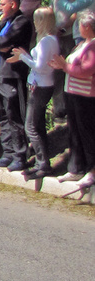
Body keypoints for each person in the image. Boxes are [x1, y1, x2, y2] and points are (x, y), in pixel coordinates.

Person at [0, 0, 34, 171]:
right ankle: (8, 152)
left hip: (12, 75)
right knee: (2, 116)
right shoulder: (2, 22)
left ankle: (20, 155)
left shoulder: (22, 22)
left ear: (13, 5)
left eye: (2, 4)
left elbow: (6, 40)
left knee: (14, 116)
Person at [8, 7, 60, 179]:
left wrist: (23, 56)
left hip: (41, 86)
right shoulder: (49, 40)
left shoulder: (47, 41)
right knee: (37, 126)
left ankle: (43, 163)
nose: (35, 24)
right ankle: (41, 162)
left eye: (38, 20)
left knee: (31, 127)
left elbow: (39, 67)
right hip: (41, 84)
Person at [49, 11, 95, 188]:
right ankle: (76, 168)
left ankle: (92, 171)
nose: (78, 29)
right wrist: (61, 66)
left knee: (88, 134)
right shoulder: (83, 44)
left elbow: (86, 70)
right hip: (73, 94)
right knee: (75, 133)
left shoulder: (93, 46)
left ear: (87, 26)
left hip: (86, 97)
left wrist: (65, 66)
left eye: (80, 25)